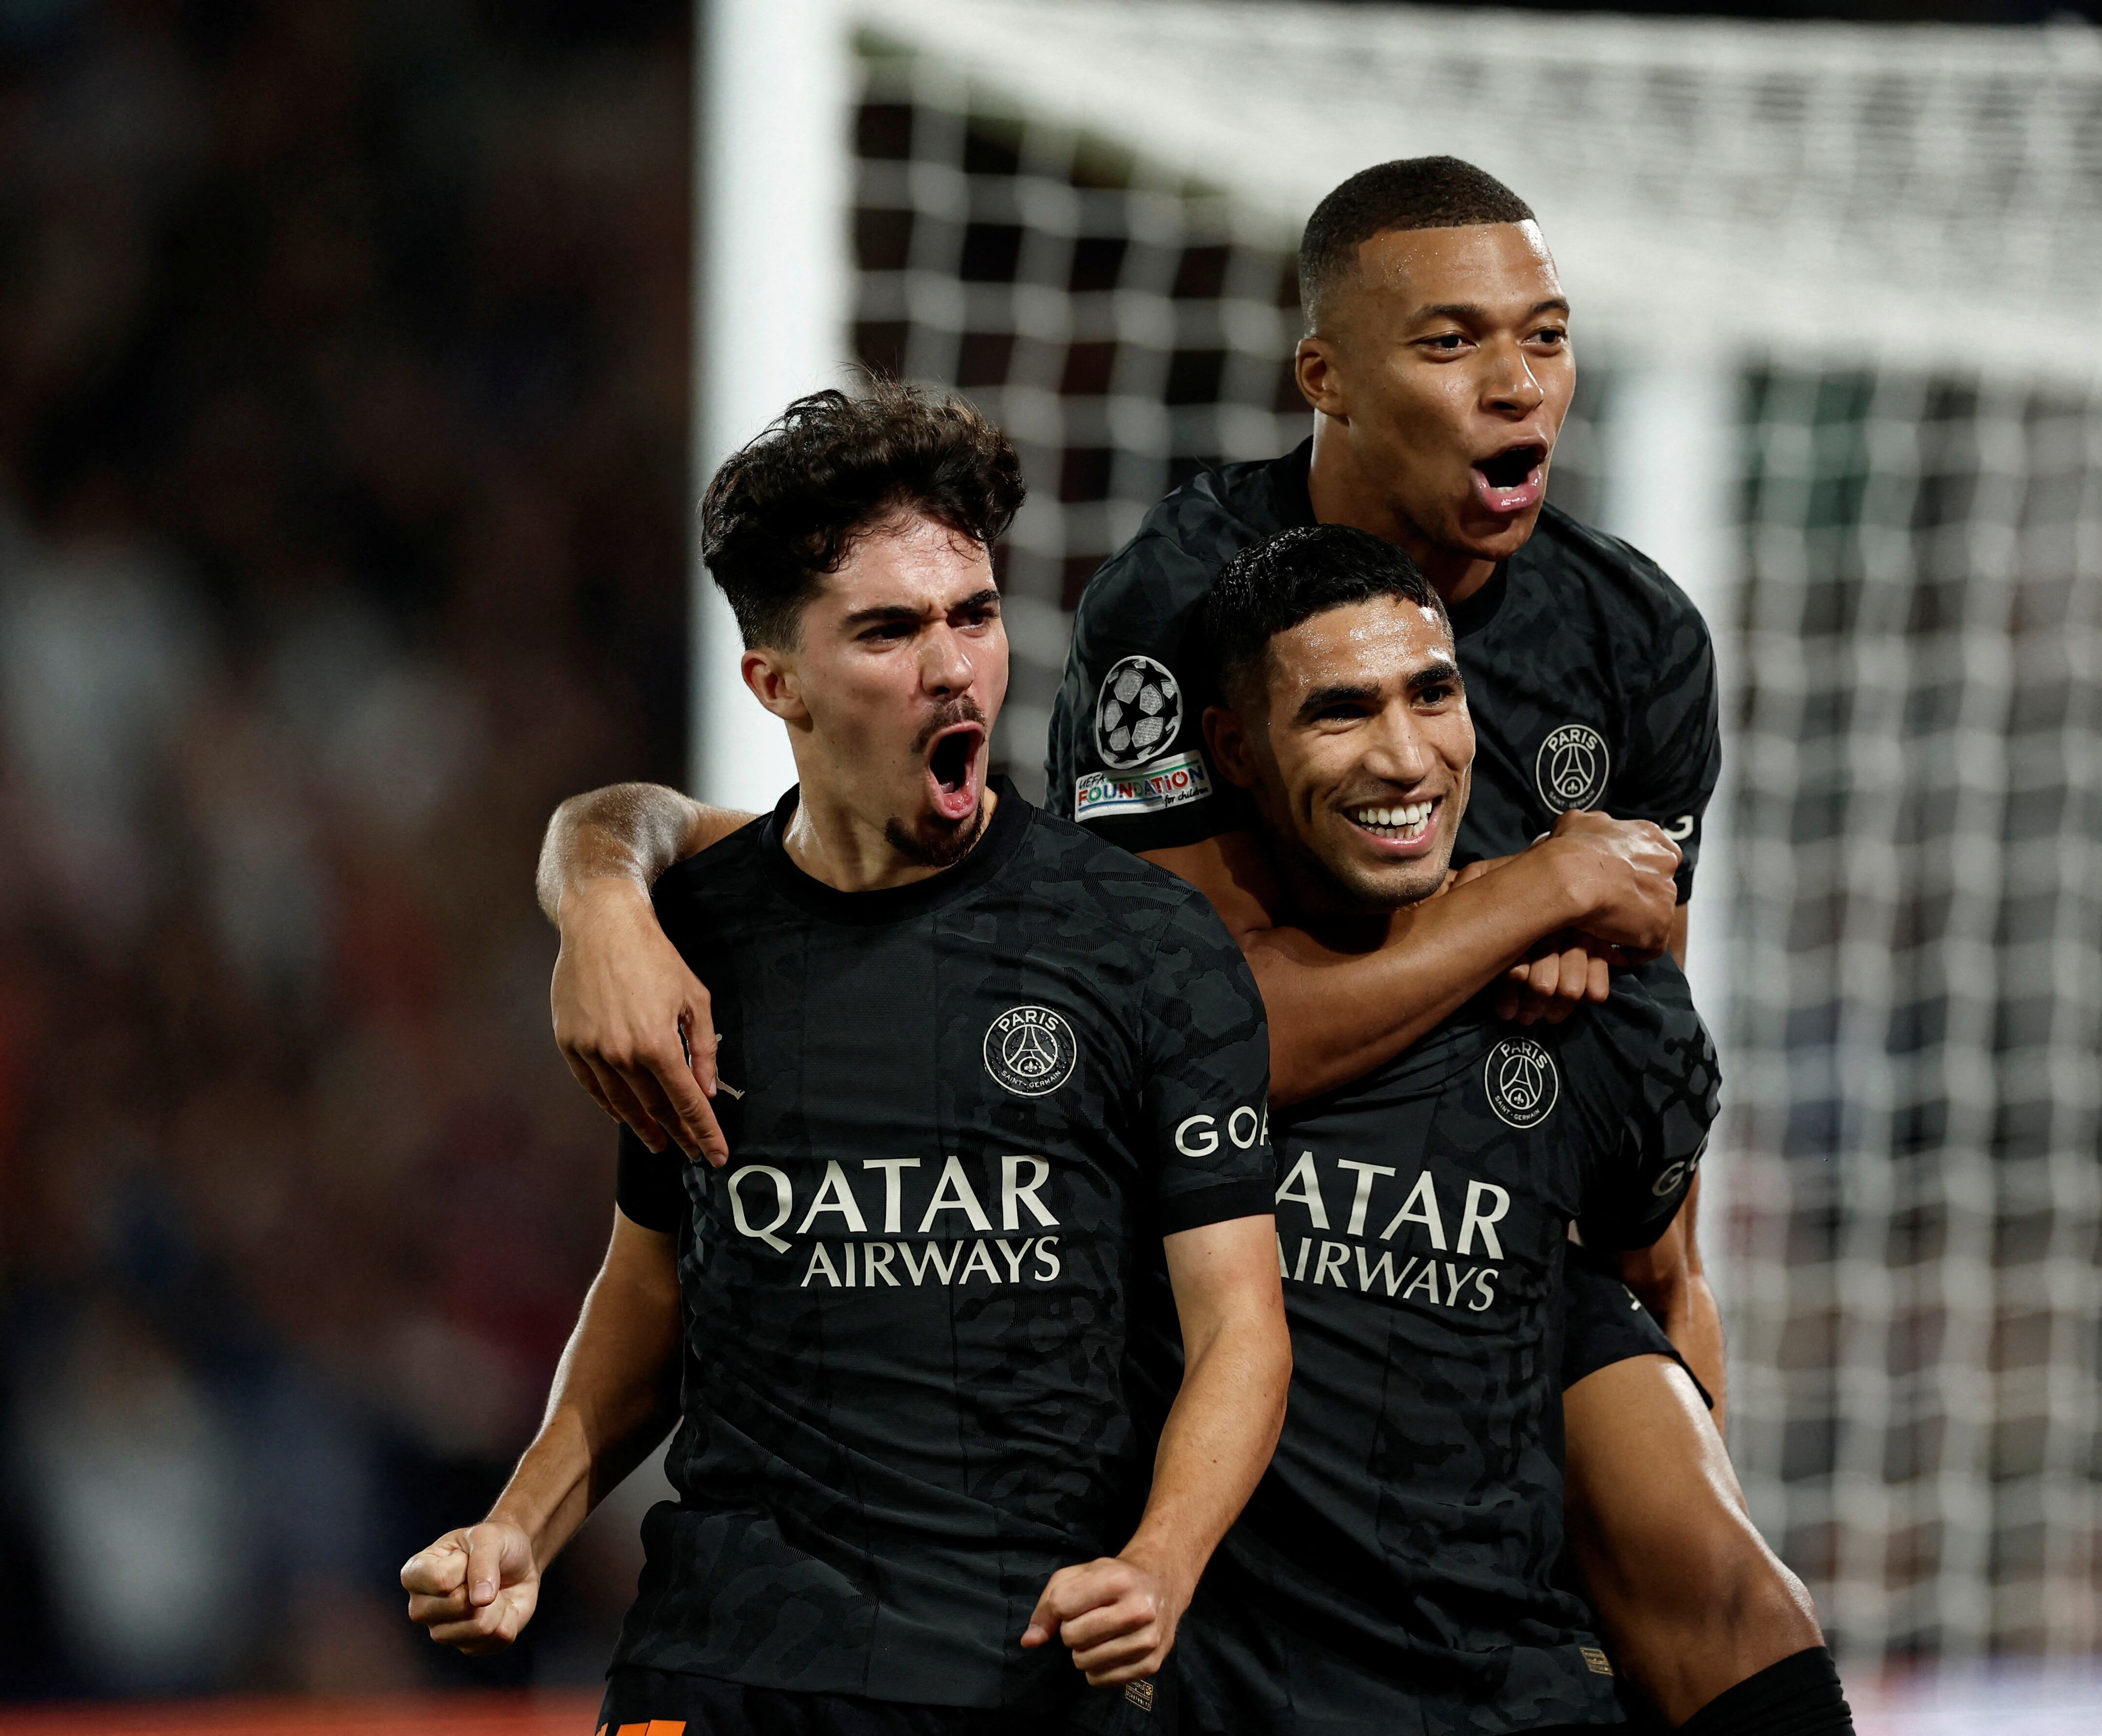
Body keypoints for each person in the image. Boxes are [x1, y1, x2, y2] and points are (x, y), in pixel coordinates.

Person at [535, 160, 1748, 1709]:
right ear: (1327, 375)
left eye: (1548, 336)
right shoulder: (1178, 602)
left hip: (1480, 1230)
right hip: (1204, 1238)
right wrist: (596, 883)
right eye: (1453, 344)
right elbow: (1181, 1017)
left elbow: (1649, 1046)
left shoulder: (1636, 639)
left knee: (1723, 1587)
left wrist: (1609, 980)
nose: (1521, 387)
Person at [402, 385, 1293, 1736]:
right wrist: (521, 1523)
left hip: (1022, 1672)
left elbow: (1241, 1324)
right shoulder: (695, 936)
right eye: (889, 628)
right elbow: (655, 1285)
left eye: (974, 615)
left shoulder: (1139, 944)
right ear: (777, 683)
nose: (954, 667)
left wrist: (1161, 1563)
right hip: (729, 1663)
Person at [1066, 525, 1848, 1736]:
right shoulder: (1107, 985)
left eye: (1433, 694)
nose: (1402, 756)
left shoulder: (1611, 1023)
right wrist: (643, 881)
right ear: (1232, 748)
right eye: (1339, 712)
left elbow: (1664, 1290)